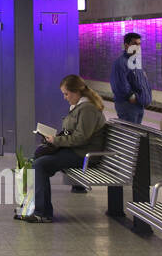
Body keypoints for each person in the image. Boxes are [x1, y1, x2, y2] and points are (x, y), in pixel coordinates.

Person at [18, 75, 108, 224]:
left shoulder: (87, 109)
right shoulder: (80, 107)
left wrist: (56, 140)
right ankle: (31, 207)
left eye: (66, 94)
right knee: (38, 158)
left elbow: (81, 138)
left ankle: (42, 213)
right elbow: (73, 133)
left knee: (40, 165)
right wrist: (54, 139)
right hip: (77, 151)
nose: (65, 97)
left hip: (84, 155)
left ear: (77, 92)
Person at [110, 31, 151, 123]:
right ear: (126, 45)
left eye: (139, 44)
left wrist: (144, 97)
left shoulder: (135, 61)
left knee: (136, 133)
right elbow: (120, 85)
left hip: (138, 105)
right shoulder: (121, 63)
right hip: (128, 106)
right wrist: (132, 97)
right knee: (130, 134)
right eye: (135, 44)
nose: (138, 47)